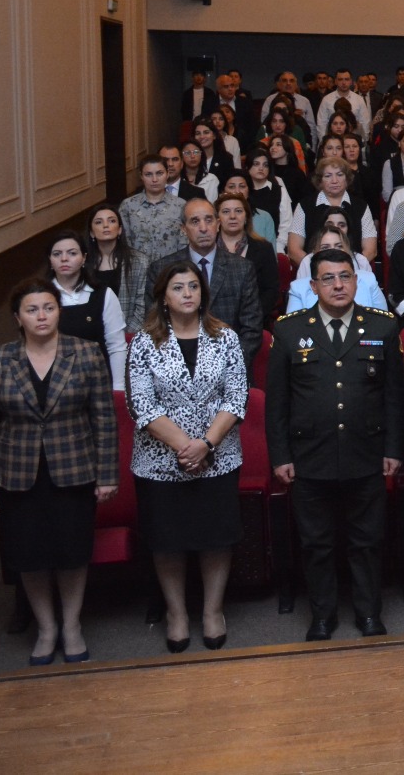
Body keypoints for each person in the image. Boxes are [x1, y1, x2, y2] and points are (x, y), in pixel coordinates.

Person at [0, 280, 117, 664]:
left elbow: (104, 419)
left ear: (59, 312)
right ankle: (46, 627)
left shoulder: (86, 354)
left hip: (74, 469)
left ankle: (71, 625)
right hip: (17, 475)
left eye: (49, 308)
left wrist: (106, 475)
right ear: (18, 318)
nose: (41, 316)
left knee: (71, 553)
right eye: (32, 310)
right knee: (29, 555)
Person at [266, 248, 404, 641]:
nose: (338, 285)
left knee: (367, 541)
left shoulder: (382, 326)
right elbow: (277, 403)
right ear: (313, 286)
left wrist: (394, 448)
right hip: (311, 455)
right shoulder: (289, 330)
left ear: (357, 281)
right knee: (317, 543)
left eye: (345, 276)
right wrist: (280, 456)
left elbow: (395, 397)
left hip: (367, 452)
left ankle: (368, 613)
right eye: (328, 278)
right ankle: (322, 616)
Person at [126, 260, 248, 653]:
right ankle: (176, 613)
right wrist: (186, 446)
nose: (187, 293)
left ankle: (213, 611)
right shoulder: (144, 342)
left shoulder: (225, 337)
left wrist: (206, 445)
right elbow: (141, 405)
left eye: (193, 286)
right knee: (168, 541)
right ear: (163, 296)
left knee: (216, 538)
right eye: (178, 287)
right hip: (160, 463)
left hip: (218, 456)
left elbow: (237, 396)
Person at [145, 198, 264, 368]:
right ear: (183, 229)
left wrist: (228, 367)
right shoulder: (161, 269)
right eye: (195, 221)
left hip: (230, 367)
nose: (203, 228)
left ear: (218, 224)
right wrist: (178, 368)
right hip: (176, 368)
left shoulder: (242, 268)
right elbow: (155, 324)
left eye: (209, 220)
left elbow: (252, 329)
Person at [46, 230, 127, 389]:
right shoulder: (41, 296)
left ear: (83, 258)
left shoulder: (103, 294)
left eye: (72, 253)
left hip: (97, 380)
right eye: (57, 254)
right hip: (54, 382)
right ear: (50, 260)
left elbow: (116, 346)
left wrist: (118, 387)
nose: (64, 258)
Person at [289, 157, 379, 264]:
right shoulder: (305, 206)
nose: (334, 181)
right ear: (320, 181)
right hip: (314, 269)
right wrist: (317, 268)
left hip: (353, 269)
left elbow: (371, 250)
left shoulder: (361, 206)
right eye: (328, 176)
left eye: (340, 175)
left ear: (347, 179)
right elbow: (294, 250)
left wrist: (348, 268)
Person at [287, 225, 391, 313]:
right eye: (325, 247)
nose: (333, 250)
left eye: (339, 246)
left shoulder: (368, 281)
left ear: (347, 250)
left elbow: (383, 325)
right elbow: (294, 329)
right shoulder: (298, 289)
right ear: (315, 253)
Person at [215, 189, 281, 322]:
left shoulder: (264, 248)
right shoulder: (208, 249)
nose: (232, 216)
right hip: (214, 321)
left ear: (246, 217)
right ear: (217, 219)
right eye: (226, 212)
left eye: (238, 211)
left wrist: (251, 316)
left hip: (254, 320)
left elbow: (271, 290)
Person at [87, 204, 150, 333]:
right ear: (91, 232)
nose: (106, 225)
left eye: (111, 221)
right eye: (99, 222)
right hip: (91, 332)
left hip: (128, 332)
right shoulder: (83, 263)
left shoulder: (139, 261)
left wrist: (126, 335)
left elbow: (142, 305)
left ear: (120, 229)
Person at [120, 154, 188, 263]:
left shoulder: (181, 205)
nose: (154, 179)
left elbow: (185, 243)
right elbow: (124, 242)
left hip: (171, 268)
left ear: (167, 174)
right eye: (148, 174)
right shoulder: (128, 205)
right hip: (138, 268)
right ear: (141, 176)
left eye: (159, 173)